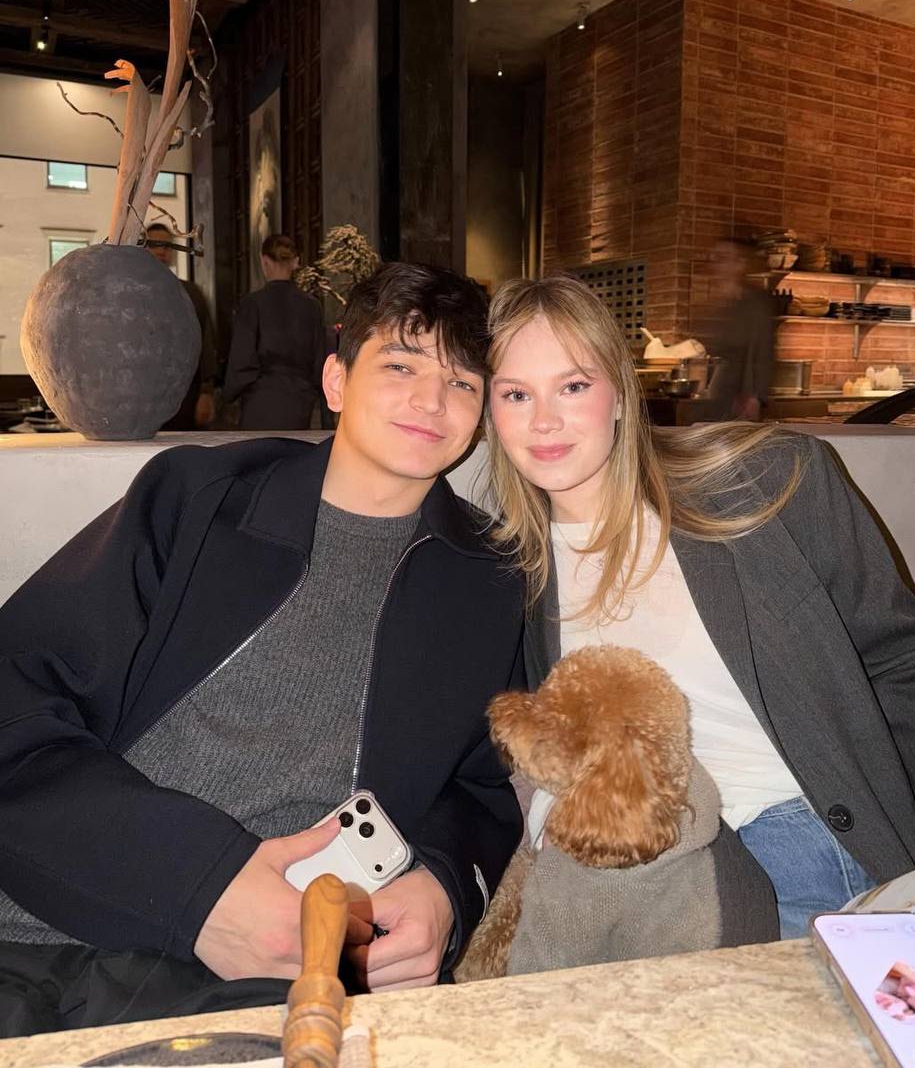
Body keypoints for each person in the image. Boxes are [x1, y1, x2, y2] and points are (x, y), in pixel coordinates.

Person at [0, 262, 525, 1036]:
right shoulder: (199, 499)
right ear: (337, 381)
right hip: (39, 920)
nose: (430, 400)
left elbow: (488, 786)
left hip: (270, 971)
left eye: (461, 382)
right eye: (400, 365)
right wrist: (198, 885)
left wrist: (446, 887)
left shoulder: (489, 581)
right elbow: (16, 693)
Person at [481, 273, 915, 943]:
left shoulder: (767, 481)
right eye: (516, 394)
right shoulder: (504, 570)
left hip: (794, 837)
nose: (544, 420)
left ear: (619, 393)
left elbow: (904, 655)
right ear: (492, 412)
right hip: (638, 866)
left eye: (573, 386)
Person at [222, 234, 326, 430]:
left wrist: (228, 396)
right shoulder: (312, 306)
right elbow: (320, 359)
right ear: (295, 262)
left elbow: (242, 359)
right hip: (301, 402)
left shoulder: (253, 304)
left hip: (261, 401)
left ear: (265, 261)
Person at [146, 222, 218, 429]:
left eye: (167, 246)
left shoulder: (190, 293)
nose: (161, 251)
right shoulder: (128, 293)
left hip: (184, 393)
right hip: (141, 392)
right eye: (155, 245)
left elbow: (206, 344)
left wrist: (206, 392)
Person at [702, 237, 775, 421]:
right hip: (719, 393)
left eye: (723, 258)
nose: (716, 263)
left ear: (740, 264)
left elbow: (762, 351)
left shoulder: (754, 303)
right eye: (714, 258)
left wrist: (754, 396)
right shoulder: (721, 304)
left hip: (741, 400)